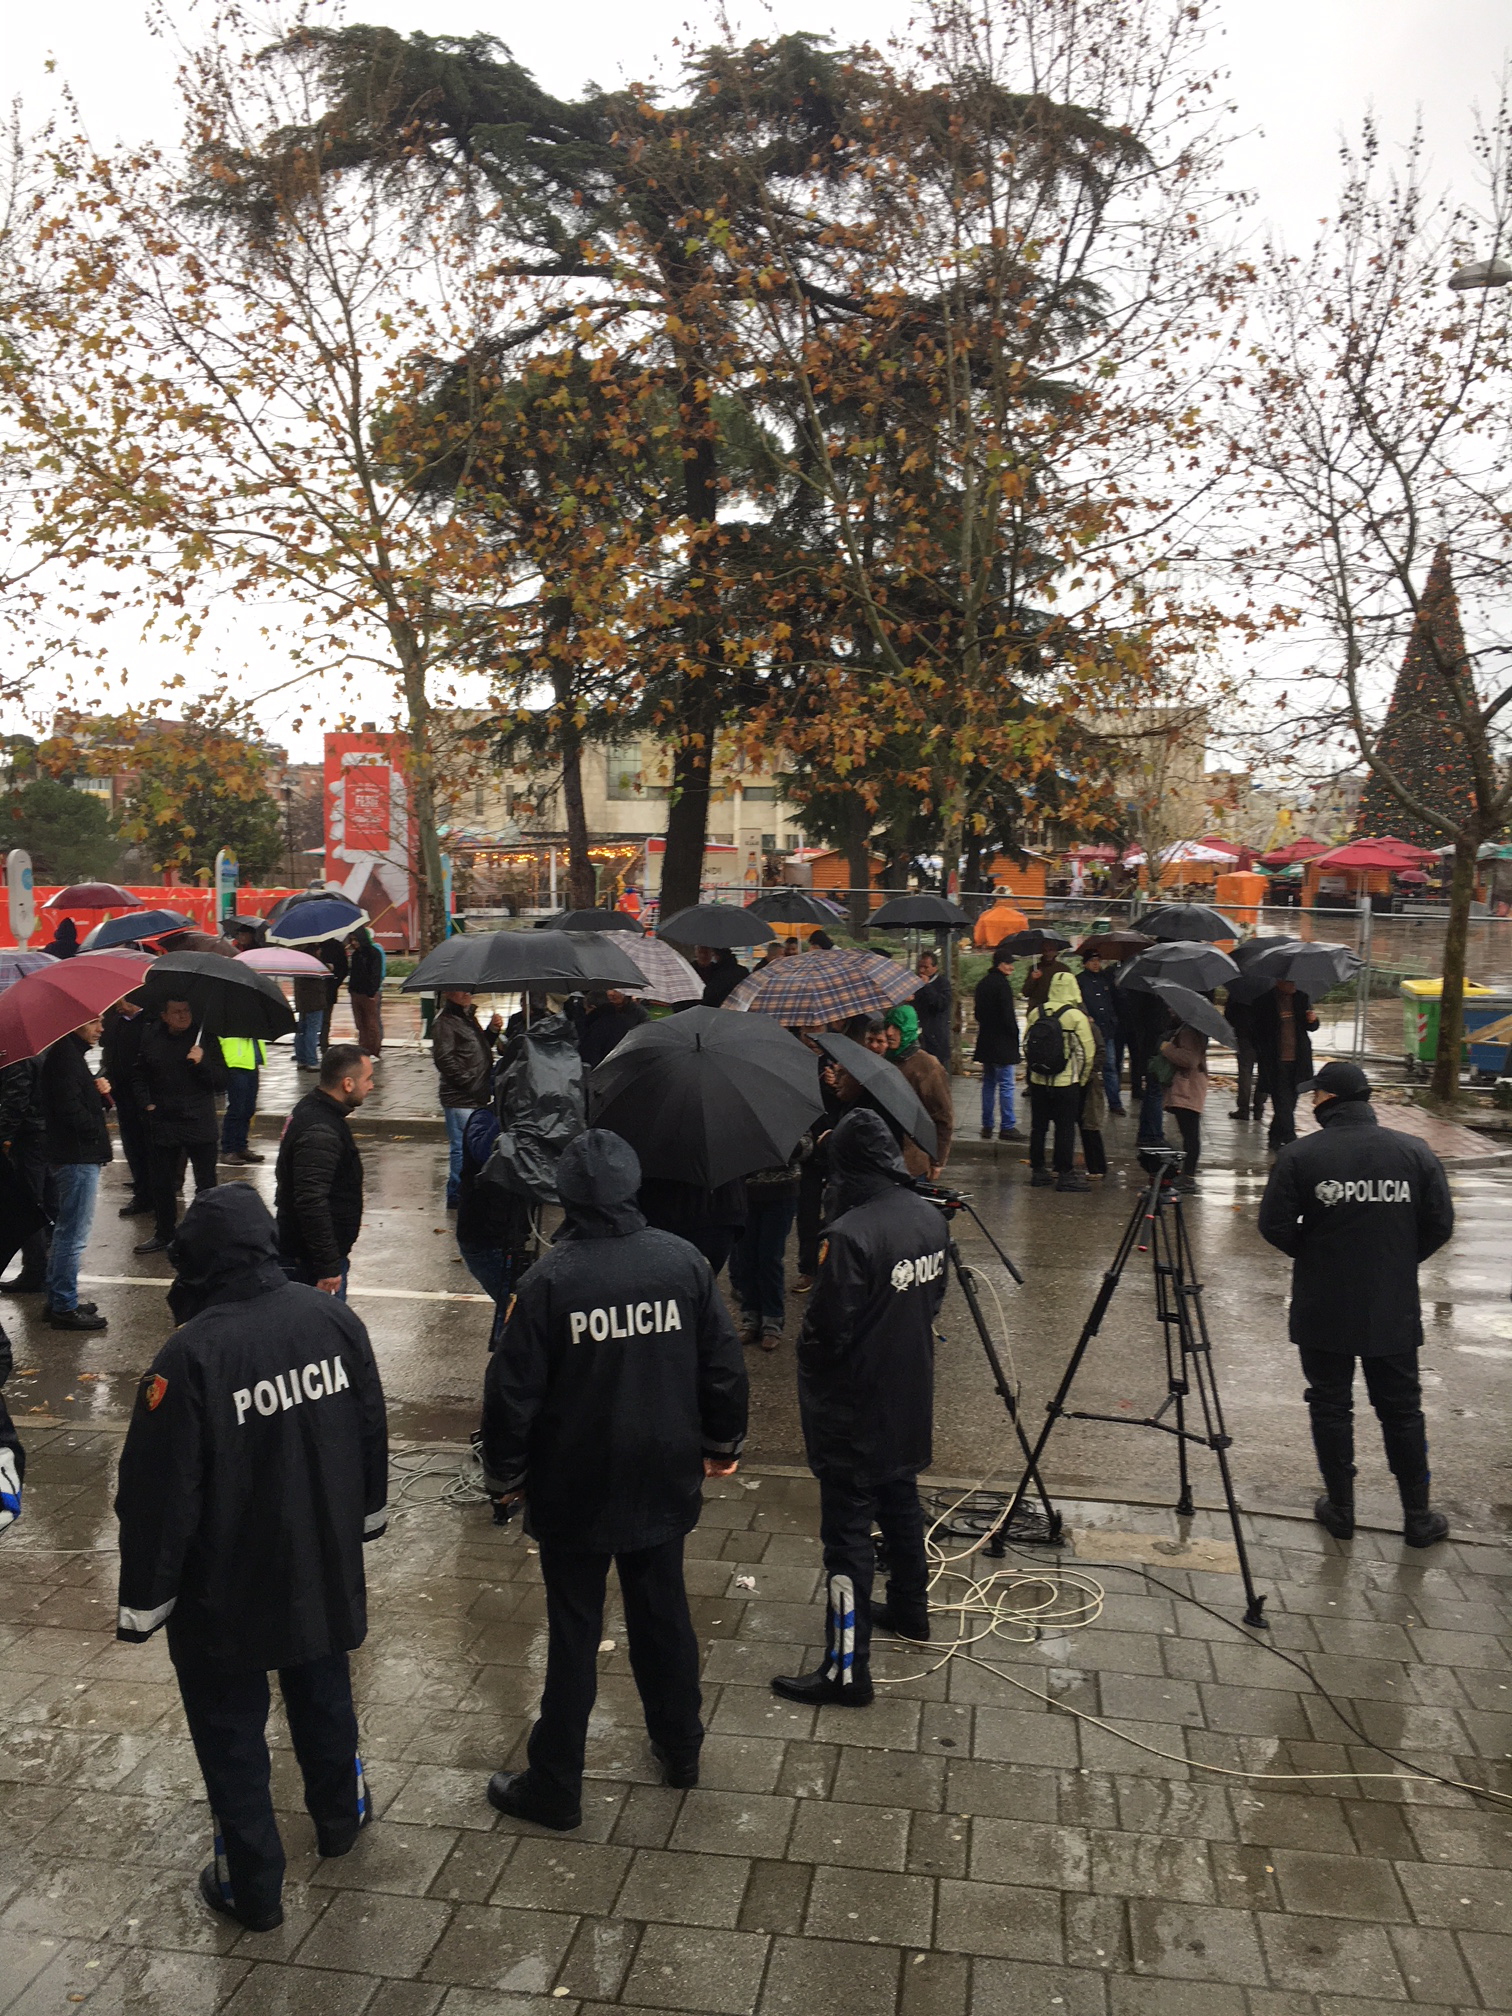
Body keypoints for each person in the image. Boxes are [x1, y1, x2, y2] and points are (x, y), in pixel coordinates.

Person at [114, 1186, 389, 1931]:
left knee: (232, 1737)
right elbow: (369, 1429)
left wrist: (143, 1603)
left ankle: (254, 1886)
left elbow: (156, 1495)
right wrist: (366, 1520)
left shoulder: (191, 1353)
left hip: (224, 1592)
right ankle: (339, 1818)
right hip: (317, 1565)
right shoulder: (332, 1319)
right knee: (325, 1692)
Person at [480, 1129, 747, 1827]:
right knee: (664, 1615)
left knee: (574, 1630)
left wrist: (506, 1477)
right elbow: (721, 1363)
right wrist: (722, 1440)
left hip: (576, 1483)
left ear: (565, 1196)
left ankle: (557, 1782)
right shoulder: (681, 1263)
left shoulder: (548, 1283)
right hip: (661, 1471)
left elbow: (511, 1396)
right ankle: (680, 1746)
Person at [771, 1110, 948, 1706]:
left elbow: (825, 1332)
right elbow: (934, 1303)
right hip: (910, 1395)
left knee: (846, 1536)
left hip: (854, 1409)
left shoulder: (849, 1236)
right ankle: (910, 1610)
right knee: (900, 1502)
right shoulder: (929, 1216)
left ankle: (846, 1670)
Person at [1257, 1060, 1455, 1547]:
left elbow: (1274, 1226)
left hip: (1324, 1303)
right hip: (1391, 1305)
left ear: (1326, 1100)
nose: (1310, 1102)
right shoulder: (1414, 1152)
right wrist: (1397, 1260)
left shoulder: (1301, 1156)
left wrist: (1321, 1253)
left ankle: (1341, 1509)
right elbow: (1440, 1224)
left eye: (1314, 1096)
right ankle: (1417, 1517)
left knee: (1330, 1405)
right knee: (1402, 1410)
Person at [275, 1044, 372, 1297]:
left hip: (311, 1257)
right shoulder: (321, 1130)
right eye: (368, 1079)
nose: (371, 1086)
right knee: (321, 1333)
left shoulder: (316, 1111)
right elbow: (311, 1201)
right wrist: (327, 1267)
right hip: (312, 1264)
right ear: (348, 1084)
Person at [131, 999, 227, 1256]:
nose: (183, 1016)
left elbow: (221, 1081)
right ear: (164, 1015)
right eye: (176, 1012)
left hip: (199, 1121)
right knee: (162, 1183)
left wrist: (203, 1061)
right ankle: (164, 1232)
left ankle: (206, 1234)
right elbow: (139, 1074)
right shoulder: (152, 1036)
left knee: (206, 1183)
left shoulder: (204, 1037)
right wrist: (147, 1105)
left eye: (187, 1010)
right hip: (164, 1120)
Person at [38, 1014, 112, 1331]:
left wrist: (97, 1094)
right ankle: (64, 1307)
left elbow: (75, 1100)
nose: (100, 1029)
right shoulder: (65, 1057)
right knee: (73, 1235)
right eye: (94, 1022)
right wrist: (94, 1129)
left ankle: (58, 1299)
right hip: (77, 1157)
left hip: (75, 1154)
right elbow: (69, 1109)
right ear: (75, 1024)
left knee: (66, 1231)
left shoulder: (70, 1055)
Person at [1022, 970, 1097, 1191]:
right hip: (1066, 1082)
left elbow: (1026, 1044)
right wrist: (1081, 1079)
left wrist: (1034, 1071)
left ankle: (1038, 1171)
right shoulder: (1076, 1017)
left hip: (1039, 1080)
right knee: (1065, 1128)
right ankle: (1064, 1173)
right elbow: (1087, 1053)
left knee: (1038, 1127)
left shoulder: (1038, 1012)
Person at [730, 1138, 805, 1350]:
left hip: (781, 1194)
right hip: (745, 1194)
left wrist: (781, 1145)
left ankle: (773, 1321)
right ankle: (750, 1318)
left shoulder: (788, 1110)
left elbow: (806, 1147)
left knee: (769, 1258)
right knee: (746, 1257)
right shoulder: (737, 1113)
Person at [431, 988, 502, 1208]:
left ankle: (468, 1190)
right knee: (461, 1147)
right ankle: (457, 1192)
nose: (466, 994)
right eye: (459, 990)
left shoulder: (467, 1017)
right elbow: (444, 1059)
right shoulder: (445, 1022)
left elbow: (479, 1049)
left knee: (472, 1146)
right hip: (460, 1097)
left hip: (475, 1094)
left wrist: (492, 1030)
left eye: (468, 990)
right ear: (448, 993)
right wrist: (469, 1081)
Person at [0, 1059, 53, 1293]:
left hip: (28, 1134)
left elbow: (16, 1098)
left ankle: (35, 1270)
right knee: (47, 1202)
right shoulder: (43, 1049)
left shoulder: (18, 1059)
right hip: (44, 1130)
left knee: (28, 1203)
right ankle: (44, 1267)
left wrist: (5, 1135)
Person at [884, 1003, 954, 1178]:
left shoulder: (928, 1066)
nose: (890, 1032)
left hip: (912, 1163)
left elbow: (943, 1116)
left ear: (907, 1029)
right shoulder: (883, 1060)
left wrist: (937, 1161)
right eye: (888, 1026)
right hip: (882, 1156)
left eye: (897, 1027)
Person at [1252, 980, 1318, 1151]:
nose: (1294, 985)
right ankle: (1290, 1138)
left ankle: (1274, 1136)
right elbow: (1256, 1031)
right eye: (1290, 982)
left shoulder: (1302, 998)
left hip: (1298, 1060)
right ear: (1280, 982)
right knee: (1281, 1100)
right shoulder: (1264, 1001)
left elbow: (1311, 1027)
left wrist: (1313, 1021)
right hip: (1275, 1061)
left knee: (1291, 1101)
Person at [102, 999, 153, 1214]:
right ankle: (141, 1192)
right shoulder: (115, 1021)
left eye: (121, 1002)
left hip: (145, 1098)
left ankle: (152, 1195)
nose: (117, 1006)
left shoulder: (150, 1022)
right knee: (132, 1147)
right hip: (123, 1096)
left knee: (149, 1149)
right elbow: (107, 1050)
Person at [972, 942, 1021, 1142]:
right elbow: (1008, 1016)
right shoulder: (1003, 985)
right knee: (1007, 1085)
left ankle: (987, 1124)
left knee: (989, 1084)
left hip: (986, 1041)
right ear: (1001, 964)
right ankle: (1007, 1126)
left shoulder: (983, 983)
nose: (1012, 967)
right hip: (1003, 1044)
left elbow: (977, 1014)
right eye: (1010, 964)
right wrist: (1015, 1034)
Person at [1160, 1021, 1209, 1190]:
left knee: (1190, 1134)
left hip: (1188, 1089)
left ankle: (1188, 1176)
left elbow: (1190, 1060)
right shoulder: (1190, 1029)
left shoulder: (1188, 1031)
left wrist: (1167, 1048)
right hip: (1189, 1087)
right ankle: (1187, 1174)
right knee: (1189, 1134)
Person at [1077, 950, 1123, 1115]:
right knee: (1087, 1065)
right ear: (1085, 963)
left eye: (1098, 960)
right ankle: (1083, 1100)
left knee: (1110, 1065)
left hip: (1107, 1029)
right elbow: (1077, 1002)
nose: (1096, 964)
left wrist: (1113, 1018)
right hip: (1088, 1030)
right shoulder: (1080, 980)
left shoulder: (1107, 979)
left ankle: (1115, 1102)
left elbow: (1114, 1000)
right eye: (1092, 961)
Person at [218, 1036, 266, 1168]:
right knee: (237, 1108)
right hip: (236, 1064)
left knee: (249, 1108)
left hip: (251, 1063)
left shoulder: (251, 1021)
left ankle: (241, 1146)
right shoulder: (232, 1021)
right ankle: (228, 1149)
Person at [578, 987, 649, 1070]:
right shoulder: (597, 1017)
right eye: (608, 989)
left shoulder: (638, 1013)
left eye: (617, 990)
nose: (611, 993)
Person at [1224, 990, 1266, 1127]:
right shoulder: (1270, 990)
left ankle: (1244, 1108)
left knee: (1245, 1072)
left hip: (1244, 1035)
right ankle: (1259, 1107)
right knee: (1264, 1073)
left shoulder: (1240, 989)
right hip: (1265, 1038)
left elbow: (1228, 1014)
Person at [345, 927, 385, 1060]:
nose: (354, 943)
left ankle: (373, 1051)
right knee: (360, 1024)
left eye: (356, 940)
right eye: (352, 940)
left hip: (368, 994)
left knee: (371, 1024)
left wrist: (371, 992)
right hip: (356, 993)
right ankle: (363, 1049)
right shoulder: (356, 955)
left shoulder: (374, 953)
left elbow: (376, 974)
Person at [912, 950, 952, 1067]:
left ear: (935, 968)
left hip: (935, 1036)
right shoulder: (914, 982)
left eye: (926, 967)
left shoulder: (943, 983)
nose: (922, 971)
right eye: (920, 967)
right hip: (918, 1034)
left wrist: (927, 986)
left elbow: (941, 1005)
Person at [315, 937, 349, 1054]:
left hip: (327, 988)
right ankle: (310, 1047)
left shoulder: (335, 946)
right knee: (311, 1020)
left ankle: (323, 1043)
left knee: (323, 1019)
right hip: (312, 990)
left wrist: (335, 983)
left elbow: (343, 969)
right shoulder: (309, 945)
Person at [291, 965, 326, 1071]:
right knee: (312, 1031)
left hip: (302, 1003)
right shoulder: (313, 966)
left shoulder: (298, 966)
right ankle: (312, 1061)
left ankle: (301, 1060)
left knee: (301, 1030)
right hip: (314, 1003)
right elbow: (318, 985)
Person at [1021, 946, 1068, 1012]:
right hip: (1037, 1009)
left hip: (1058, 1009)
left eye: (1050, 950)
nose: (1047, 953)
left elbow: (1069, 990)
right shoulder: (1034, 969)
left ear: (1055, 952)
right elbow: (1025, 992)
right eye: (1045, 950)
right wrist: (1032, 979)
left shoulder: (1063, 969)